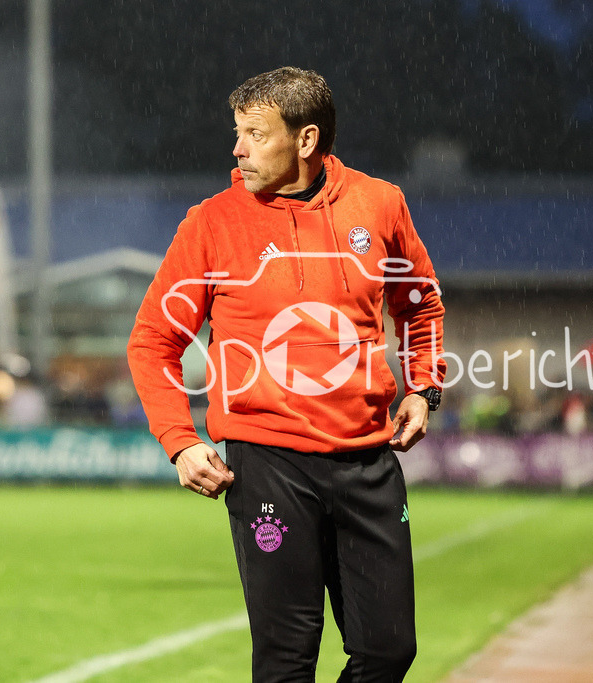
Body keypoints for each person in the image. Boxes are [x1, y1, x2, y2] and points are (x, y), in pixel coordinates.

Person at [127, 67, 446, 682]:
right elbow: (153, 340)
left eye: (254, 134)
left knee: (388, 650)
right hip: (266, 460)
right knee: (286, 660)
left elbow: (421, 302)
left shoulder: (381, 204)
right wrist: (180, 440)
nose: (238, 149)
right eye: (237, 132)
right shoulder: (211, 223)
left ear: (305, 141)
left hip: (366, 456)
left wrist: (424, 387)